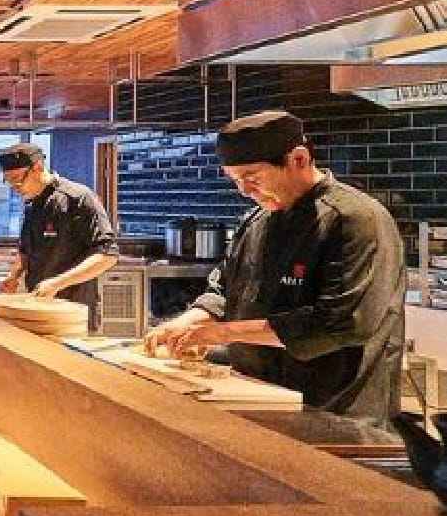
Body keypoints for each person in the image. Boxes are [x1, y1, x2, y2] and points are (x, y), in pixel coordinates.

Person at [143, 110, 406, 422]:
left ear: (298, 159)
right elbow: (225, 289)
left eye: (252, 178)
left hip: (335, 411)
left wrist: (223, 333)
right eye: (235, 180)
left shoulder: (354, 219)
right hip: (257, 395)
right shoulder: (256, 220)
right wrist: (189, 322)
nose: (244, 191)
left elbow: (342, 322)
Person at [0, 143, 120, 329]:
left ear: (37, 168)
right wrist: (13, 275)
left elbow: (107, 256)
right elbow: (25, 249)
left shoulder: (78, 198)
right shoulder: (32, 204)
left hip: (72, 311)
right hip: (38, 309)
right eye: (8, 181)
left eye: (17, 180)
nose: (15, 187)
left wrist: (57, 283)